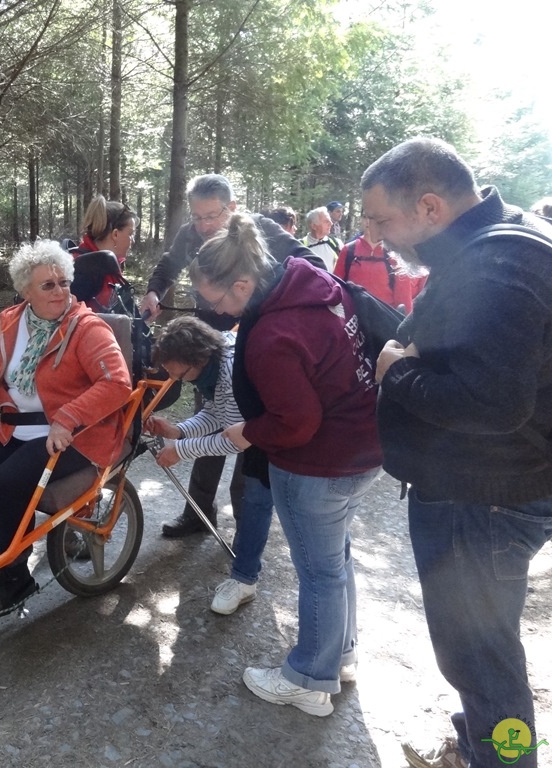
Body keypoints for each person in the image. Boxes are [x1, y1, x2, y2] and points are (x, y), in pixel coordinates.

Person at [366, 137, 552, 768]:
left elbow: (493, 405)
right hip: (489, 491)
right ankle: (479, 744)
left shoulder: (496, 264)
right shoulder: (498, 243)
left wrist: (395, 372)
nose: (375, 236)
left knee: (484, 662)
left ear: (428, 207)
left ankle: (504, 758)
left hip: (485, 500)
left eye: (382, 221)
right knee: (476, 656)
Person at [192, 213, 383, 717]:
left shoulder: (273, 336)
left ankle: (308, 680)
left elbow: (295, 422)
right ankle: (339, 657)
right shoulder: (310, 280)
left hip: (319, 464)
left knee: (319, 573)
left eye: (215, 302)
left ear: (242, 283)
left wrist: (247, 432)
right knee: (335, 562)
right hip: (365, 447)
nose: (213, 313)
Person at [0, 239, 132, 617]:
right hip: (17, 427)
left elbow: (117, 383)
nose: (60, 291)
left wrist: (67, 417)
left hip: (74, 434)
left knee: (7, 482)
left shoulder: (86, 328)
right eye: (48, 285)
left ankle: (15, 577)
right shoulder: (12, 322)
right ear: (25, 291)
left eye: (64, 282)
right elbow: (3, 376)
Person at [137, 173, 323, 540]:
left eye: (212, 216)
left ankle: (245, 530)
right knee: (212, 413)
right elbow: (168, 264)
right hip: (205, 349)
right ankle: (197, 514)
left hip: (250, 349)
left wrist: (271, 318)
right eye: (198, 217)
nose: (204, 225)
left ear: (232, 208)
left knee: (247, 440)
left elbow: (310, 264)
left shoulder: (260, 230)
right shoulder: (191, 234)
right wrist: (154, 292)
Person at [144, 316, 276, 616]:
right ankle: (244, 559)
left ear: (198, 357)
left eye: (181, 374)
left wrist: (180, 450)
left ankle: (246, 572)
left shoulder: (228, 372)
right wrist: (178, 431)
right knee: (249, 491)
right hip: (250, 427)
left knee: (252, 493)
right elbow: (216, 413)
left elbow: (234, 440)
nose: (178, 379)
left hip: (271, 432)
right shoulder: (210, 368)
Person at [334, 216, 428, 312]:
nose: (368, 221)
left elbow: (403, 296)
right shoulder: (348, 250)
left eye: (373, 217)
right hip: (353, 318)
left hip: (384, 319)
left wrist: (403, 321)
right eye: (365, 216)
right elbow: (336, 286)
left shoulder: (394, 253)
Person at [68, 195, 138, 312]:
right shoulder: (85, 269)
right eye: (130, 234)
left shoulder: (109, 267)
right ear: (115, 234)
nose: (133, 240)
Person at [302, 207, 342, 271]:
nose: (331, 224)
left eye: (330, 221)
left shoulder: (337, 244)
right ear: (314, 226)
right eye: (326, 221)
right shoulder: (300, 246)